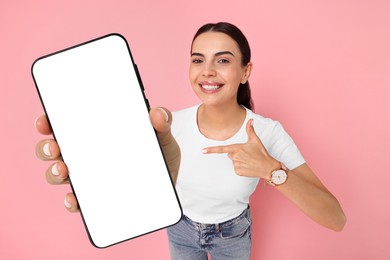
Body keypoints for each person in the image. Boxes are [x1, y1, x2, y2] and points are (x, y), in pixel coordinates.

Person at [35, 22, 346, 259]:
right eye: (198, 60)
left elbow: (336, 218)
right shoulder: (169, 124)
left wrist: (271, 170)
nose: (207, 72)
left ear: (245, 71)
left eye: (222, 61)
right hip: (180, 228)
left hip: (234, 234)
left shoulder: (267, 132)